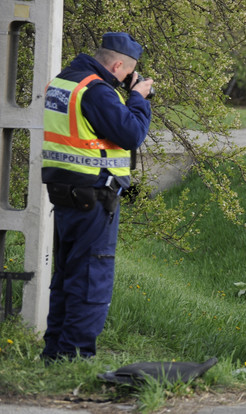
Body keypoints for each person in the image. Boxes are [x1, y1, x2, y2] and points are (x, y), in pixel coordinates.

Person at [40, 32, 154, 361]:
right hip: (94, 199)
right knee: (90, 281)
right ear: (119, 65)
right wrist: (138, 98)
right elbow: (131, 133)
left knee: (66, 279)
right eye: (125, 73)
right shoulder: (96, 91)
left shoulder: (64, 82)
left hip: (65, 196)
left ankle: (55, 356)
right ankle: (75, 359)